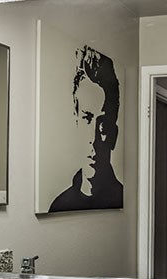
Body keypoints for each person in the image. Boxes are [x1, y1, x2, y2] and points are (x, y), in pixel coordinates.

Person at [49, 45, 123, 211]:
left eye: (103, 125)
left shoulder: (122, 198)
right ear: (75, 125)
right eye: (86, 118)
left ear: (114, 135)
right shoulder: (59, 206)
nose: (93, 138)